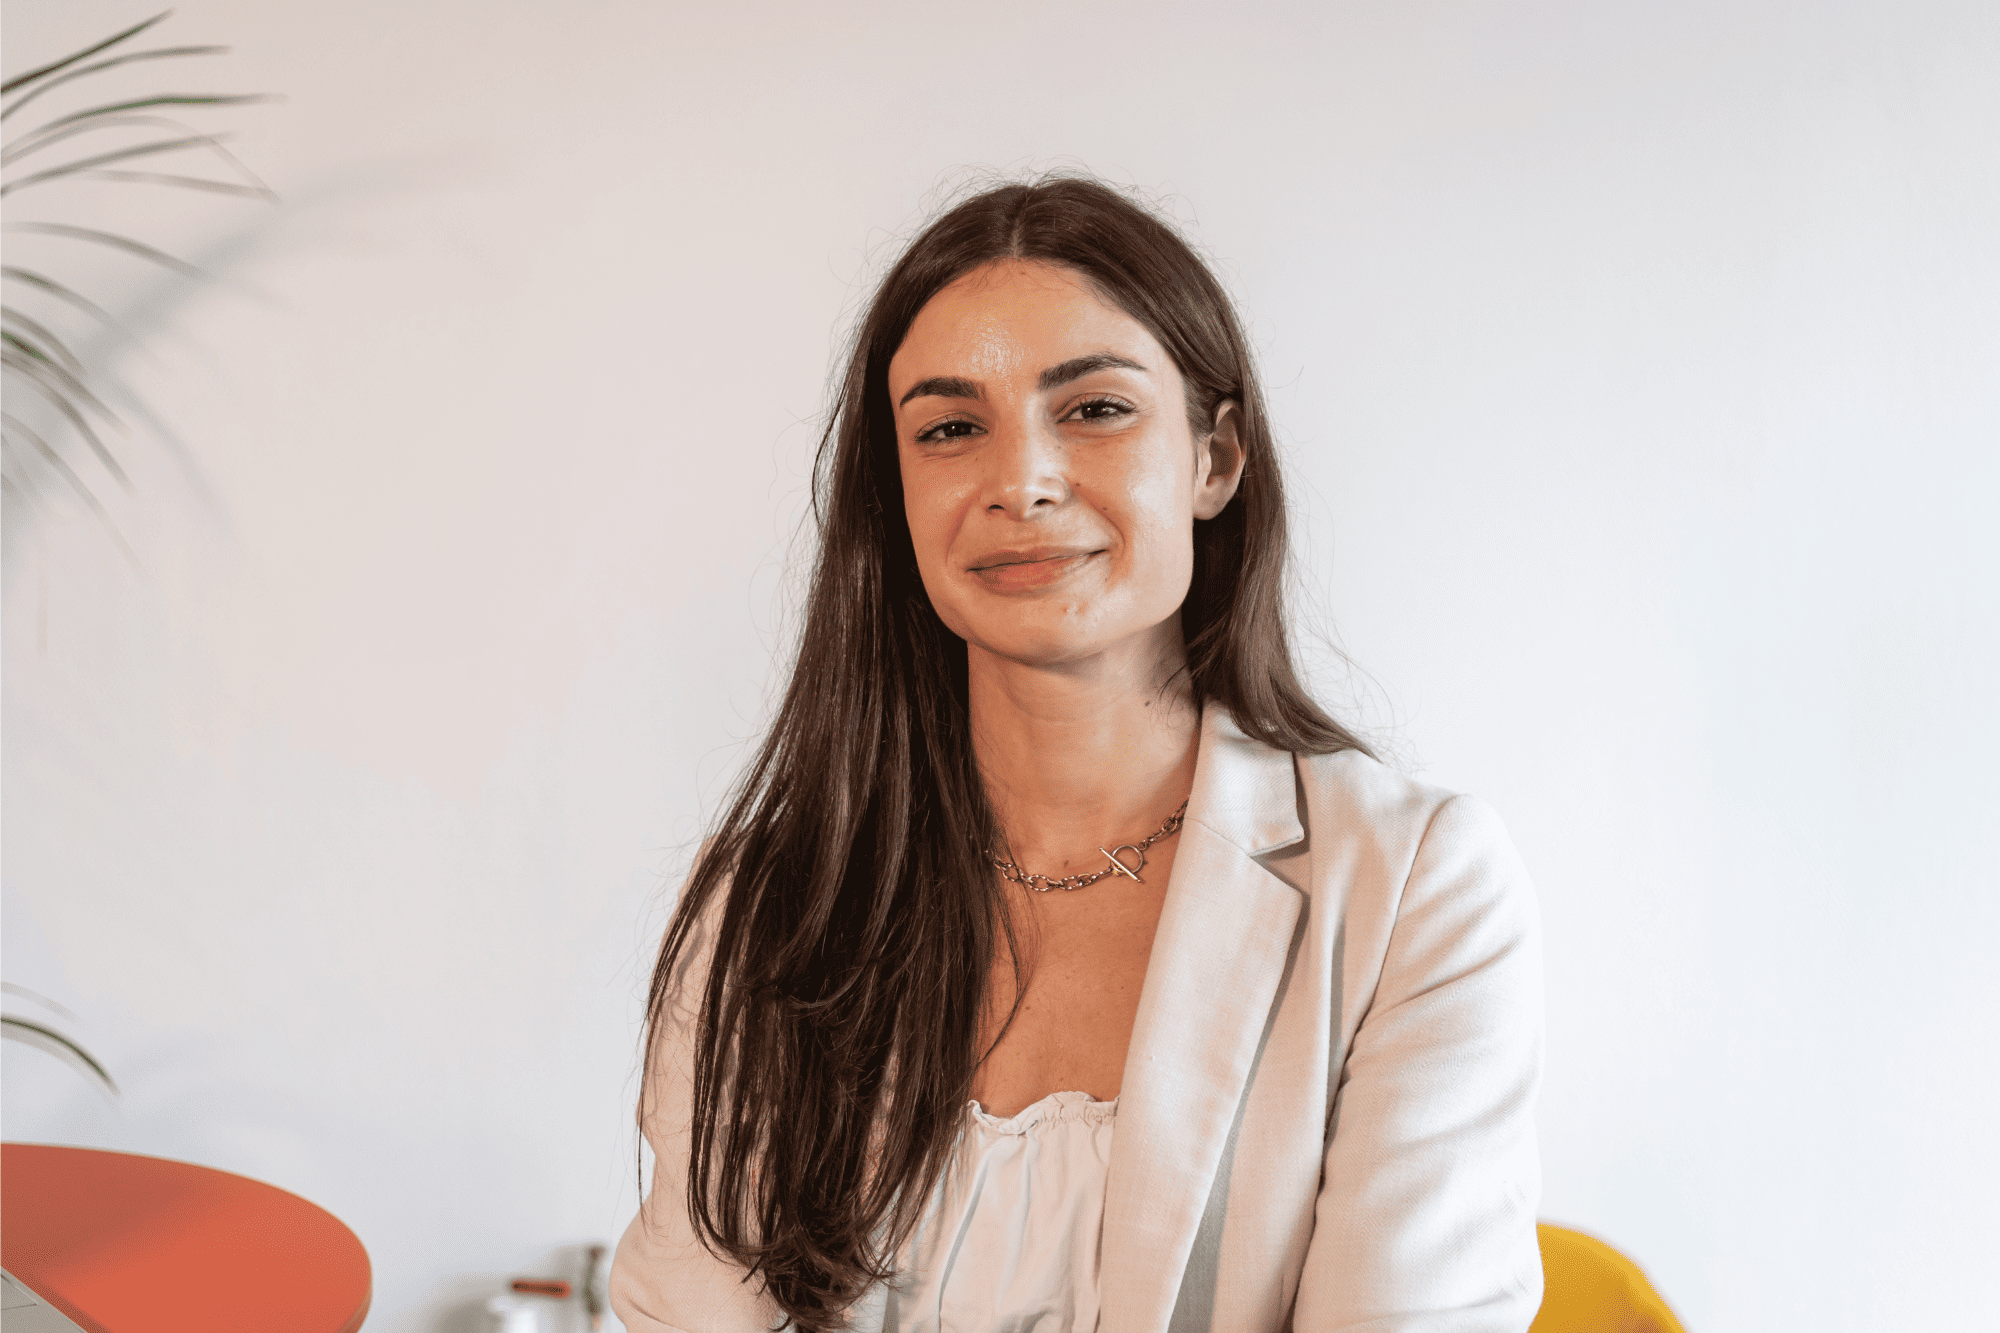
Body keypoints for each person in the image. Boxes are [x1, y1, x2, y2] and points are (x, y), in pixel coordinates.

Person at [611, 175, 1544, 1333]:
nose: (1021, 482)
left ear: (1215, 460)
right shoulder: (762, 904)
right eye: (951, 429)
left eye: (1095, 409)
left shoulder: (1415, 885)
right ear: (894, 497)